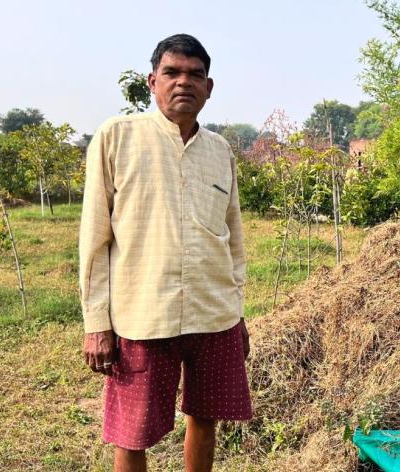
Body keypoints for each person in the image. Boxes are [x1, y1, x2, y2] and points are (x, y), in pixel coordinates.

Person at [79, 34, 252, 472]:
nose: (183, 82)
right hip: (143, 316)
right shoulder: (117, 137)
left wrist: (236, 313)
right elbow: (95, 237)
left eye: (195, 75)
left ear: (209, 87)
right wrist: (97, 323)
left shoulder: (219, 150)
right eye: (172, 72)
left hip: (214, 315)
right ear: (152, 82)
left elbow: (232, 237)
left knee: (206, 418)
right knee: (132, 433)